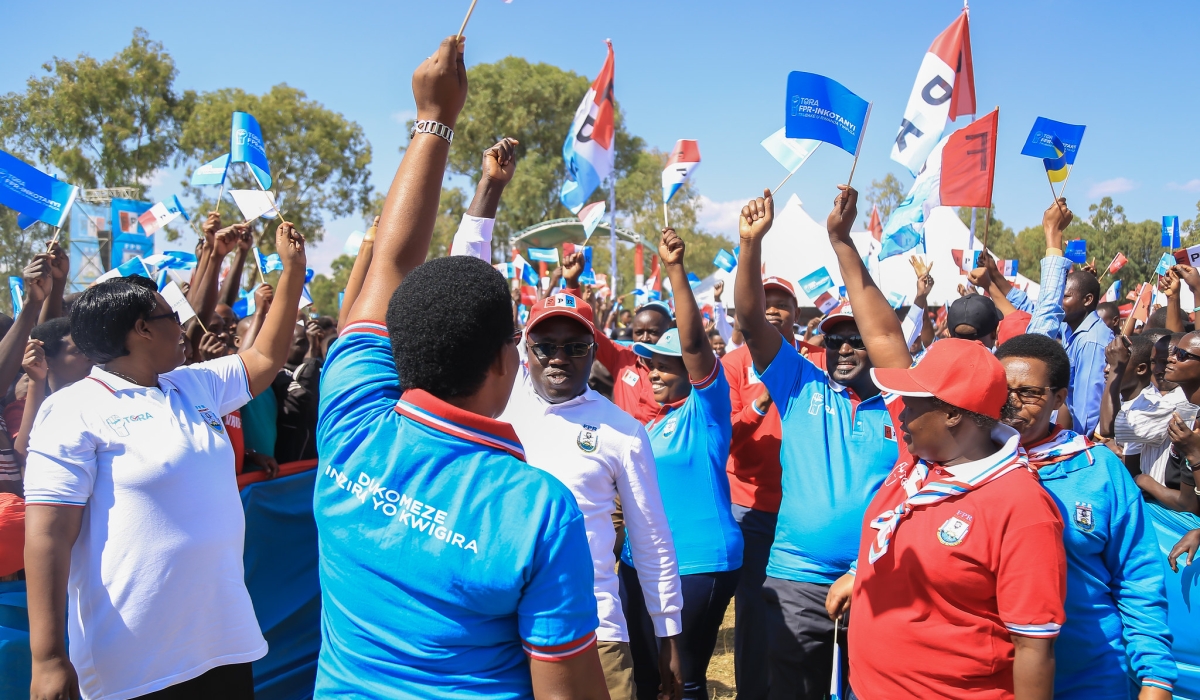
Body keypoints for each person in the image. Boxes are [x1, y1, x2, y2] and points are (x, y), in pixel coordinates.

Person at [312, 36, 606, 699]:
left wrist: (432, 119)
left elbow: (388, 268)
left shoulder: (350, 420)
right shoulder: (535, 509)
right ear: (508, 362)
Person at [23, 219, 308, 700]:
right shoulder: (72, 409)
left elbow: (264, 358)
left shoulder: (193, 384)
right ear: (140, 330)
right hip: (135, 664)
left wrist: (293, 272)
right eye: (170, 316)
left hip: (222, 644)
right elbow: (48, 536)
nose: (182, 325)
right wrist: (48, 658)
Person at [453, 136, 685, 700]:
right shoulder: (498, 402)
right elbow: (463, 285)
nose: (559, 357)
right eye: (546, 345)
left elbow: (652, 541)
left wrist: (669, 638)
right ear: (523, 349)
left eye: (574, 346)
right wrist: (489, 189)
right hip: (493, 624)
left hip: (593, 631)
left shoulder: (624, 432)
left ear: (593, 351)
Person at [733, 186, 909, 700]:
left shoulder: (903, 400)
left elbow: (890, 337)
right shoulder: (798, 382)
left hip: (878, 575)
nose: (845, 348)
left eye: (856, 338)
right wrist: (750, 244)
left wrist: (842, 241)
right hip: (795, 580)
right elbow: (748, 320)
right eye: (834, 340)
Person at [826, 337, 1067, 700]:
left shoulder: (1021, 507)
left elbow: (1033, 646)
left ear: (953, 413)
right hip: (866, 687)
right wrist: (859, 572)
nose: (901, 415)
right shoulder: (918, 460)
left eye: (909, 404)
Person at [994, 333, 1176, 699]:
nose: (1010, 404)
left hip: (1088, 676)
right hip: (989, 679)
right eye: (1001, 389)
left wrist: (1156, 678)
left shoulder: (1098, 469)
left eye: (1028, 392)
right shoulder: (960, 466)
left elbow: (1137, 577)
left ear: (1060, 398)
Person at [619, 228, 741, 700]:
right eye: (649, 365)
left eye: (664, 365)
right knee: (650, 679)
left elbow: (694, 346)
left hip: (697, 563)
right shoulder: (652, 425)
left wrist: (674, 269)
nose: (653, 372)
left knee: (683, 680)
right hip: (641, 566)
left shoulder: (705, 412)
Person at [719, 272, 799, 700]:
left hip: (801, 510)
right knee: (752, 609)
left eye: (782, 300)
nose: (772, 307)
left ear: (795, 313)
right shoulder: (731, 366)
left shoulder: (818, 362)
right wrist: (759, 402)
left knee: (799, 608)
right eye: (764, 299)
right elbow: (723, 437)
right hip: (748, 508)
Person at [1023, 199, 1114, 437]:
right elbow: (1038, 313)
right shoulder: (1070, 331)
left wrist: (1080, 444)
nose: (1060, 303)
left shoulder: (1092, 341)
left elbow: (1087, 407)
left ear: (1087, 300)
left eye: (1065, 296)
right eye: (1059, 295)